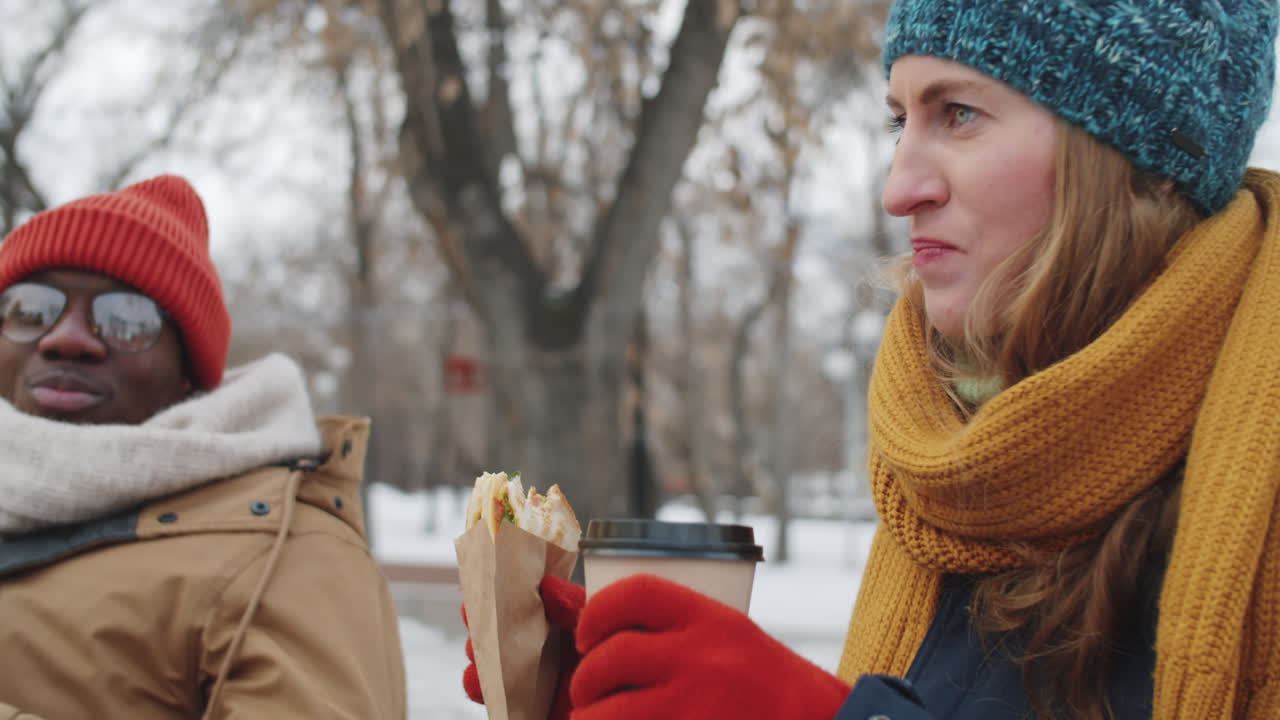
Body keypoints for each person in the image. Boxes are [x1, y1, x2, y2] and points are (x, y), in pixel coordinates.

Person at [462, 0, 1280, 718]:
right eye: (900, 119)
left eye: (957, 113)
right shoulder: (947, 462)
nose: (900, 187)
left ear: (1138, 160)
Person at [0, 175, 407, 719]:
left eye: (127, 318)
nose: (65, 337)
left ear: (188, 375)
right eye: (31, 307)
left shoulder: (291, 551)